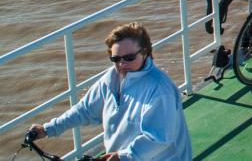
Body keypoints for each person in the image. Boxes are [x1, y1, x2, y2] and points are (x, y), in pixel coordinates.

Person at [28, 23, 192, 161]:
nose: (122, 64)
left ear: (145, 52)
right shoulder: (110, 79)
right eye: (116, 59)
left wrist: (122, 157)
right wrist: (48, 129)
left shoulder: (160, 89)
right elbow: (84, 110)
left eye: (129, 58)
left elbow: (158, 139)